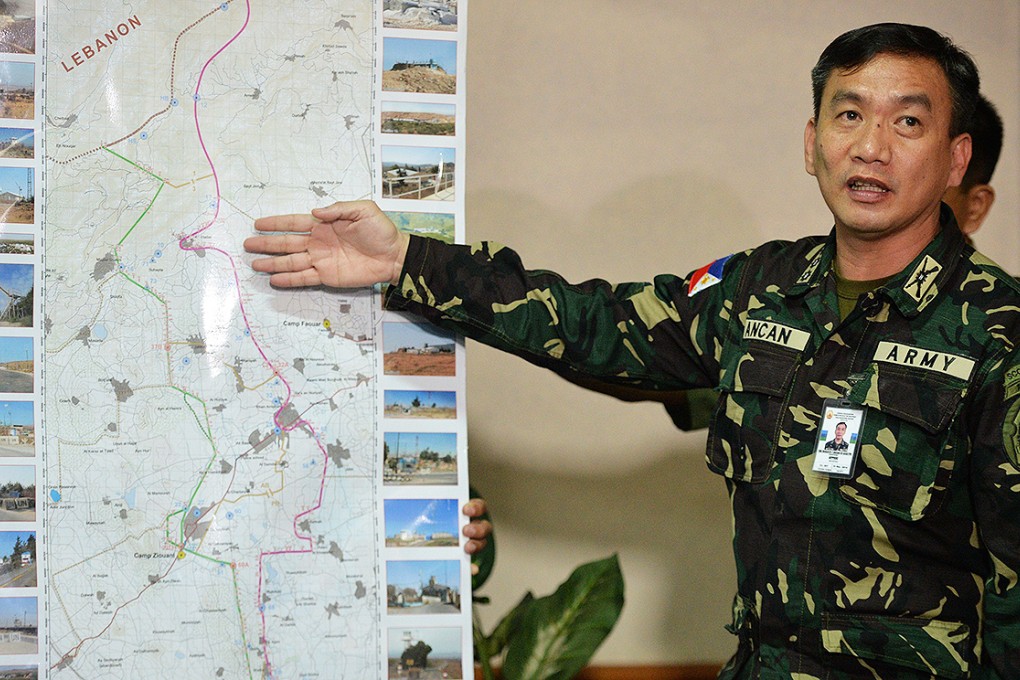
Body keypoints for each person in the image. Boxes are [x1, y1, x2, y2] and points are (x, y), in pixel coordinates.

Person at [245, 23, 1020, 679]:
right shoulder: (760, 290)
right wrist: (407, 262)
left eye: (907, 123)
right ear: (812, 143)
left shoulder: (999, 331)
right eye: (849, 116)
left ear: (956, 161)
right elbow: (598, 323)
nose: (873, 148)